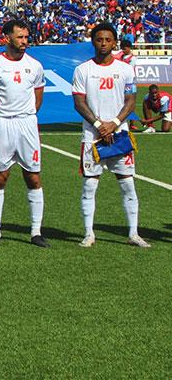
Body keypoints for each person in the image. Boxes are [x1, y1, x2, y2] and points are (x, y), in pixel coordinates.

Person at [72, 22, 149, 248]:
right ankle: (89, 234)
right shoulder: (83, 70)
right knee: (89, 186)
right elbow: (79, 102)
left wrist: (113, 124)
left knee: (127, 184)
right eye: (99, 39)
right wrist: (98, 124)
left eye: (108, 40)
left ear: (114, 42)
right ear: (93, 41)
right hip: (92, 137)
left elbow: (131, 101)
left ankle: (133, 233)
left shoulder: (125, 69)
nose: (103, 43)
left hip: (120, 135)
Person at [0, 20, 49, 248]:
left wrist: (26, 116)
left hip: (27, 124)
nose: (24, 42)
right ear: (7, 38)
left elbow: (38, 97)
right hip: (3, 125)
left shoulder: (35, 66)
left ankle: (36, 232)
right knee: (0, 177)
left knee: (33, 177)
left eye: (26, 37)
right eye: (20, 37)